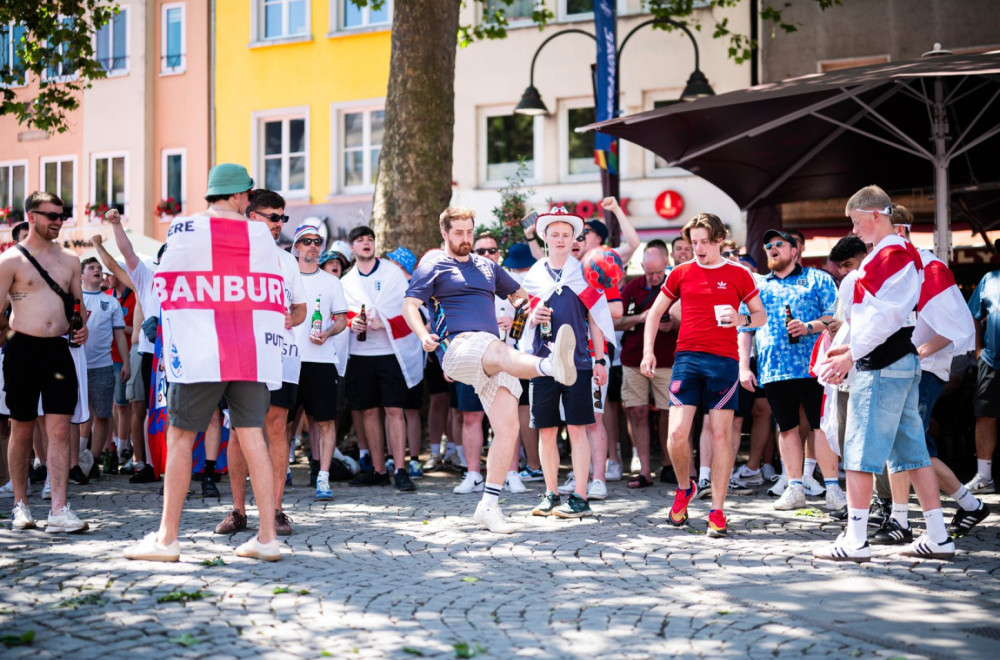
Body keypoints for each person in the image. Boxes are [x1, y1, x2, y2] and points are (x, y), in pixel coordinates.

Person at [124, 163, 282, 562]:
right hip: (249, 349)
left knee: (180, 437)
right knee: (253, 438)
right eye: (247, 194)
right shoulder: (258, 233)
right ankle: (266, 537)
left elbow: (166, 287)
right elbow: (271, 288)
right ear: (237, 195)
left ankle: (167, 538)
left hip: (200, 350)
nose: (249, 201)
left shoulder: (183, 228)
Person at [403, 206, 578, 533]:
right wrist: (423, 334)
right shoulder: (433, 263)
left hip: (492, 349)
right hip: (458, 346)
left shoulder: (487, 266)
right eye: (458, 233)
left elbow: (521, 297)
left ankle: (489, 505)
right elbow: (410, 305)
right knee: (500, 350)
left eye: (469, 231)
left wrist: (519, 320)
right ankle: (550, 365)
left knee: (508, 427)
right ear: (444, 233)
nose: (465, 238)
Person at [813, 184, 954, 562]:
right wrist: (850, 347)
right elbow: (886, 318)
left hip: (882, 365)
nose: (855, 232)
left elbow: (883, 316)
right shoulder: (901, 251)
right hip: (900, 360)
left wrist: (850, 354)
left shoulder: (890, 253)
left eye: (857, 223)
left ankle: (856, 540)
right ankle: (938, 535)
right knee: (913, 454)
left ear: (876, 216)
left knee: (861, 451)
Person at [639, 213, 765, 538]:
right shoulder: (681, 272)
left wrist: (739, 318)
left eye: (705, 242)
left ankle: (718, 510)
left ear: (720, 239)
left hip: (723, 362)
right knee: (677, 433)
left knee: (721, 436)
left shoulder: (739, 274)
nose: (698, 248)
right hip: (687, 359)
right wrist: (648, 352)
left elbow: (760, 315)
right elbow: (655, 312)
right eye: (694, 242)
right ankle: (685, 487)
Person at [874, 209, 986, 539]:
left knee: (908, 446)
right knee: (907, 445)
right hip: (907, 368)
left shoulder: (929, 266)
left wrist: (913, 354)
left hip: (925, 369)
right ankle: (965, 506)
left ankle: (904, 520)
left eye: (874, 224)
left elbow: (958, 326)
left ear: (900, 229)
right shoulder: (899, 267)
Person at [215, 189, 307, 537]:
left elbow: (300, 309)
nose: (279, 224)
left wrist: (290, 319)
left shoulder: (286, 261)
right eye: (274, 217)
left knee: (277, 425)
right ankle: (238, 511)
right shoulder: (231, 255)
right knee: (239, 428)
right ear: (253, 217)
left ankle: (277, 510)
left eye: (283, 218)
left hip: (281, 352)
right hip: (242, 352)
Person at [0, 191, 89, 533]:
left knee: (59, 430)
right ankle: (20, 506)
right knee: (21, 429)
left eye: (62, 216)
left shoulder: (70, 260)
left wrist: (82, 330)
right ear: (32, 216)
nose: (58, 221)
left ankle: (59, 510)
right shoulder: (11, 260)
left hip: (58, 351)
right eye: (51, 215)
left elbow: (78, 308)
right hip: (21, 348)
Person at [521, 208, 613, 518]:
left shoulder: (584, 273)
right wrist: (533, 317)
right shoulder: (532, 277)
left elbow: (596, 319)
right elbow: (522, 321)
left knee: (578, 428)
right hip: (543, 364)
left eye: (566, 235)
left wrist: (600, 360)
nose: (560, 240)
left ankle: (580, 496)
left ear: (574, 238)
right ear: (544, 238)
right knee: (546, 430)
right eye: (554, 234)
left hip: (579, 364)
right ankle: (549, 493)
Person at [738, 229, 839, 512]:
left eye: (779, 244)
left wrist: (809, 326)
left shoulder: (818, 278)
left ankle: (832, 488)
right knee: (786, 428)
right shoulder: (757, 286)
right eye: (768, 245)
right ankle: (794, 487)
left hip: (814, 367)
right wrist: (744, 366)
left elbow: (836, 317)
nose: (772, 249)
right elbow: (745, 328)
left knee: (821, 427)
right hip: (774, 370)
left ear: (794, 251)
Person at [341, 226, 422, 492]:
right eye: (360, 240)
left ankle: (400, 469)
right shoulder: (346, 281)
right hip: (360, 355)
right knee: (367, 411)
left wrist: (383, 322)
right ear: (353, 248)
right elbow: (340, 315)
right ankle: (378, 469)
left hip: (390, 354)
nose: (366, 243)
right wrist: (354, 323)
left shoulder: (393, 273)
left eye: (370, 239)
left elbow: (410, 310)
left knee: (394, 410)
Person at [292, 223, 351, 499]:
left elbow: (341, 319)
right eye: (306, 241)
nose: (312, 246)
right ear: (296, 247)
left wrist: (327, 333)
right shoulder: (285, 278)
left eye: (317, 241)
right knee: (282, 423)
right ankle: (281, 474)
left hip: (321, 361)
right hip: (289, 360)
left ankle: (323, 478)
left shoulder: (331, 282)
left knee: (326, 421)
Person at [615, 241, 676, 489]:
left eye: (658, 273)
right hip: (633, 359)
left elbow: (687, 319)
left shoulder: (675, 286)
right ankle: (644, 471)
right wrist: (641, 318)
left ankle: (670, 464)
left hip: (667, 359)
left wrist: (672, 324)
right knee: (637, 412)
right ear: (642, 266)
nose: (653, 278)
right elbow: (615, 321)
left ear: (667, 264)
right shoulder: (632, 287)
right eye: (649, 273)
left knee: (669, 413)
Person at [79, 257, 130, 480]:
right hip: (77, 365)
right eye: (91, 268)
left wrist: (126, 362)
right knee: (77, 415)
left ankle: (92, 459)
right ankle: (77, 456)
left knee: (102, 413)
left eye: (99, 268)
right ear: (81, 275)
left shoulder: (111, 302)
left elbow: (119, 334)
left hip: (103, 365)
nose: (97, 271)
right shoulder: (74, 299)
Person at [966, 265, 1000, 495]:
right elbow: (973, 315)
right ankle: (985, 476)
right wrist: (979, 351)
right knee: (985, 415)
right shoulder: (989, 278)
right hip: (992, 359)